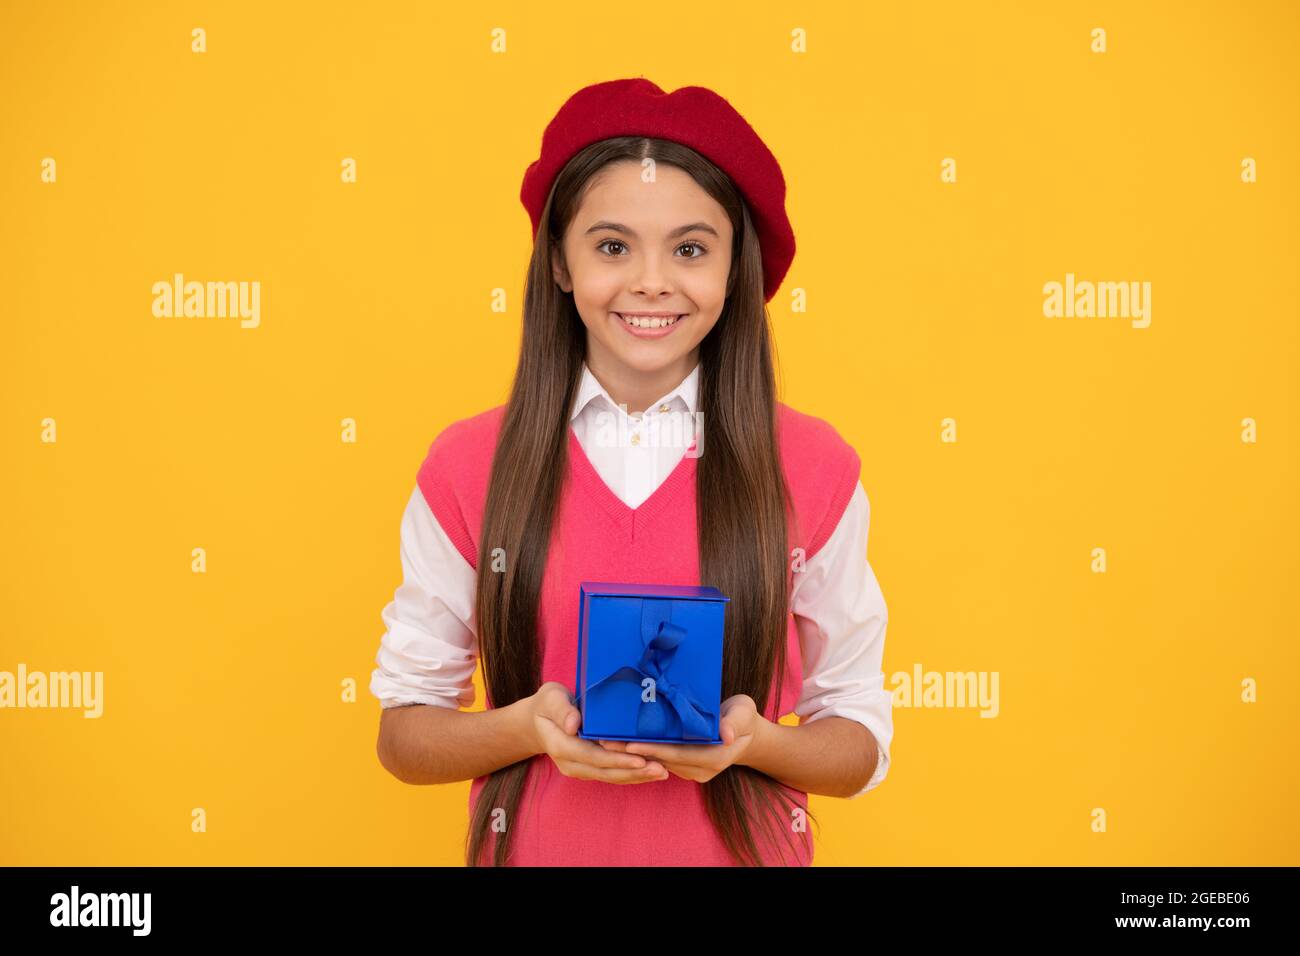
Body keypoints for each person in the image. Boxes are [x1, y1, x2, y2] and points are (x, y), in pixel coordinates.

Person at [370, 77, 893, 866]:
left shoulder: (815, 468)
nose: (652, 281)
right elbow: (405, 735)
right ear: (559, 262)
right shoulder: (468, 466)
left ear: (734, 269)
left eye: (690, 249)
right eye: (612, 246)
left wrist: (751, 742)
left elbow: (856, 741)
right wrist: (525, 728)